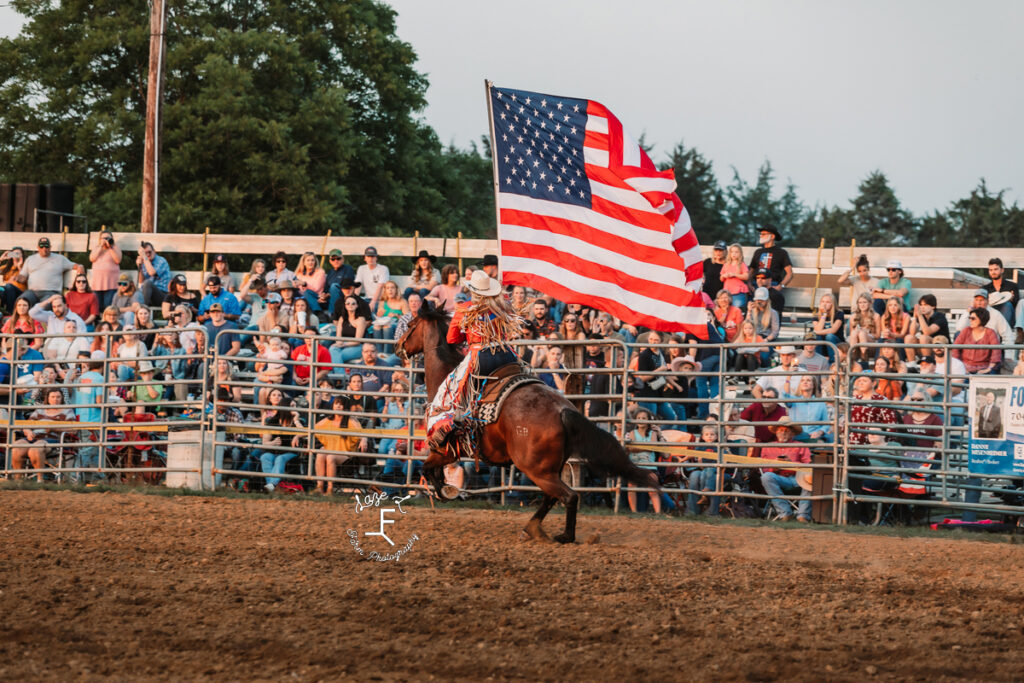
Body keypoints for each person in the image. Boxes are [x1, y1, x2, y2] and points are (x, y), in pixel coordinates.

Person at [425, 270, 523, 452]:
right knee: (523, 375)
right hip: (506, 354)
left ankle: (458, 421)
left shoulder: (464, 308)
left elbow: (451, 339)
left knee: (452, 388)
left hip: (481, 356)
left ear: (473, 290)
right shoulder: (503, 305)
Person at [759, 417, 813, 523]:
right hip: (778, 478)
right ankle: (785, 512)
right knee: (766, 477)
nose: (783, 433)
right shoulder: (767, 447)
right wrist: (774, 467)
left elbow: (808, 466)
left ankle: (803, 515)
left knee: (812, 478)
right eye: (780, 430)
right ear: (776, 432)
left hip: (798, 478)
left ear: (792, 433)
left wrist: (791, 464)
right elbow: (763, 468)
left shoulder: (801, 446)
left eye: (787, 430)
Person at [313, 395, 368, 495]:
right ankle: (320, 487)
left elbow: (362, 432)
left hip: (347, 455)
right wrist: (297, 436)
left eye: (341, 404)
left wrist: (364, 439)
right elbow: (312, 428)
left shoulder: (351, 420)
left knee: (330, 457)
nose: (338, 406)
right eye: (336, 403)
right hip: (331, 451)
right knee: (320, 454)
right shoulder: (328, 420)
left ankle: (330, 489)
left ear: (345, 407)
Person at [257, 388, 303, 492]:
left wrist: (297, 431)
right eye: (292, 406)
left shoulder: (297, 420)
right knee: (265, 457)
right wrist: (272, 443)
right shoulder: (273, 421)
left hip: (290, 452)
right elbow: (265, 442)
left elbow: (304, 432)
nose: (294, 408)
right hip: (274, 450)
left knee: (280, 459)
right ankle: (271, 486)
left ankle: (271, 485)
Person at [17, 237, 79, 305]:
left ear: (50, 247)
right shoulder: (30, 259)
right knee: (21, 302)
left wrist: (80, 268)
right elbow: (23, 276)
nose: (44, 248)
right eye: (41, 246)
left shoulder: (59, 258)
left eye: (46, 246)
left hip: (51, 292)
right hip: (32, 292)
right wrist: (18, 278)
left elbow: (75, 266)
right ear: (38, 247)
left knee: (44, 306)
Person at [626, 408, 663, 514]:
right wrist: (647, 447)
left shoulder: (653, 433)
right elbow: (631, 448)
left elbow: (653, 447)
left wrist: (639, 447)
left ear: (648, 420)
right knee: (631, 486)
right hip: (635, 464)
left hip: (650, 466)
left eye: (643, 418)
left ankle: (658, 512)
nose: (641, 420)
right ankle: (634, 511)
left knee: (652, 488)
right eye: (638, 418)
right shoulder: (633, 432)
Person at [952, 307, 1002, 375]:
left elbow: (996, 352)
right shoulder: (966, 330)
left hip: (984, 368)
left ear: (981, 319)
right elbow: (955, 348)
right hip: (964, 368)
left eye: (973, 318)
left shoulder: (990, 333)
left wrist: (989, 369)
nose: (970, 320)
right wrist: (960, 366)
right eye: (969, 318)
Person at [747, 226, 793, 293]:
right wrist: (749, 284)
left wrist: (780, 286)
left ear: (772, 236)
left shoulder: (781, 253)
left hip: (772, 285)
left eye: (763, 234)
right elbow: (751, 272)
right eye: (760, 234)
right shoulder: (758, 252)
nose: (760, 236)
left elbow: (790, 273)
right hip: (756, 285)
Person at [904, 293, 949, 363]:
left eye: (925, 305)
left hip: (941, 345)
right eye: (921, 305)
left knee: (923, 337)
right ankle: (912, 364)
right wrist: (915, 317)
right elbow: (912, 333)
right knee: (909, 337)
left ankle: (928, 363)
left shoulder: (940, 316)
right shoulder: (922, 317)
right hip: (926, 346)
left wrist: (919, 316)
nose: (922, 307)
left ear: (933, 306)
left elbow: (927, 332)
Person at [331, 294, 371, 364]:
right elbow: (338, 337)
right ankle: (339, 374)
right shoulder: (342, 318)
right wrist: (339, 344)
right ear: (345, 306)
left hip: (358, 347)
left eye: (353, 304)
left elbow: (357, 341)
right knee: (332, 349)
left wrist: (343, 344)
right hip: (343, 345)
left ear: (357, 305)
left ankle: (338, 374)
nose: (350, 305)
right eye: (348, 303)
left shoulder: (361, 319)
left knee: (336, 356)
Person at [88, 229, 121, 310]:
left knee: (108, 306)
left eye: (108, 238)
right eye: (104, 238)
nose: (106, 240)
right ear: (100, 239)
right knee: (97, 307)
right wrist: (100, 246)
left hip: (111, 283)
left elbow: (118, 260)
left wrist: (110, 247)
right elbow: (92, 258)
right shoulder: (96, 248)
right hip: (98, 283)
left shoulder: (115, 248)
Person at [982, 257, 1019, 326]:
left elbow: (1017, 306)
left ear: (1002, 270)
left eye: (996, 269)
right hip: (991, 319)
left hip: (1008, 319)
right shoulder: (985, 288)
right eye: (991, 270)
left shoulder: (1012, 286)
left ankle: (1000, 333)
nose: (993, 272)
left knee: (1007, 305)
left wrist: (1011, 300)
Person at [811, 292, 844, 362]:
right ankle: (818, 361)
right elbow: (819, 329)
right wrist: (824, 314)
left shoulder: (839, 313)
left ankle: (833, 362)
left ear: (832, 304)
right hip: (823, 344)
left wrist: (817, 332)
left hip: (837, 343)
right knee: (818, 337)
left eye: (828, 302)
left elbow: (833, 330)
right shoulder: (816, 316)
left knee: (829, 336)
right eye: (823, 301)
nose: (824, 304)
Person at [136, 241, 171, 306]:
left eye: (149, 252)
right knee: (132, 291)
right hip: (148, 294)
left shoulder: (161, 261)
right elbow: (141, 281)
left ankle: (143, 309)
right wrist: (139, 267)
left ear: (154, 251)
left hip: (162, 295)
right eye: (145, 253)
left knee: (147, 283)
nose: (147, 254)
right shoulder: (145, 262)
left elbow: (152, 272)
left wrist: (144, 257)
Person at [848, 292, 880, 364]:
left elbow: (878, 335)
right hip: (855, 341)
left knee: (862, 334)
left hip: (871, 343)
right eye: (860, 302)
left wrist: (865, 332)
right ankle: (852, 358)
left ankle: (863, 359)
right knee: (855, 333)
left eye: (864, 302)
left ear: (869, 303)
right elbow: (851, 334)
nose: (862, 305)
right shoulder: (853, 316)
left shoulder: (876, 316)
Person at [355, 245, 390, 310]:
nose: (371, 259)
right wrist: (354, 299)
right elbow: (358, 286)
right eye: (368, 256)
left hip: (380, 300)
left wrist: (373, 302)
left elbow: (380, 287)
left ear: (376, 258)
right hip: (366, 299)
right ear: (365, 258)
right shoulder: (361, 268)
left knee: (371, 314)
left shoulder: (383, 269)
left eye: (373, 256)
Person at [0, 246, 28, 311]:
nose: (16, 256)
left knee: (9, 286)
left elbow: (27, 281)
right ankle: (2, 312)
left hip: (20, 292)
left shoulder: (25, 266)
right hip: (6, 291)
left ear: (22, 255)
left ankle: (10, 312)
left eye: (18, 254)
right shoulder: (6, 267)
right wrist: (1, 259)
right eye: (14, 254)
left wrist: (19, 267)